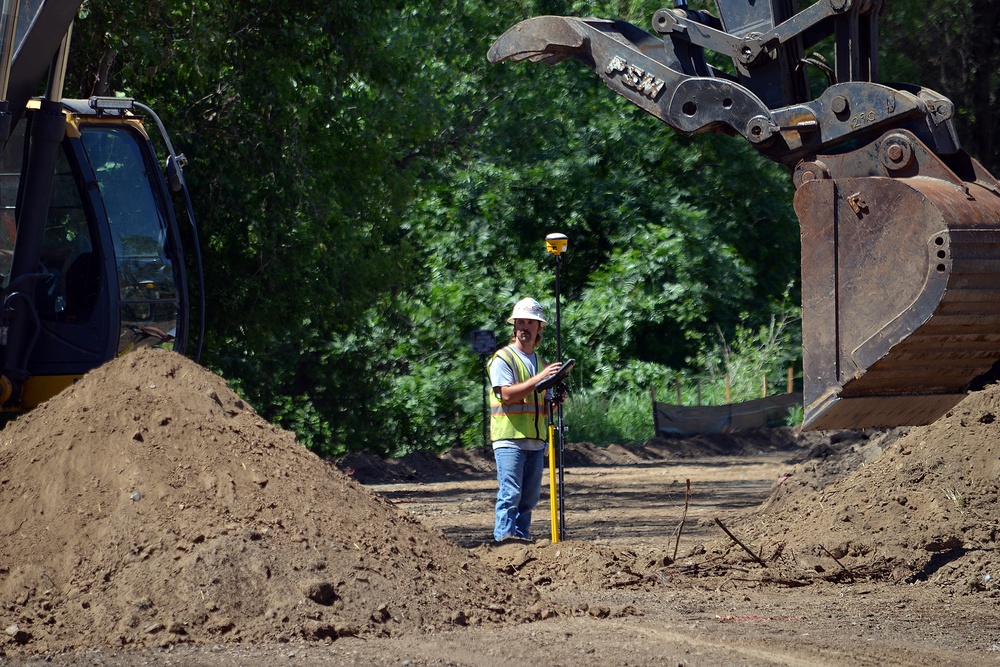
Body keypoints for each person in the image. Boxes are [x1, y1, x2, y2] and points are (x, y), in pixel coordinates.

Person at [488, 297, 562, 543]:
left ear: (539, 328)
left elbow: (542, 400)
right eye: (521, 322)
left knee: (528, 500)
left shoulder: (541, 363)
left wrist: (555, 399)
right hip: (509, 438)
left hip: (535, 440)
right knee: (510, 496)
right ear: (514, 326)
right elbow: (507, 395)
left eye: (531, 323)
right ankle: (504, 545)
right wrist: (539, 379)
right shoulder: (503, 359)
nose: (525, 327)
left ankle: (521, 545)